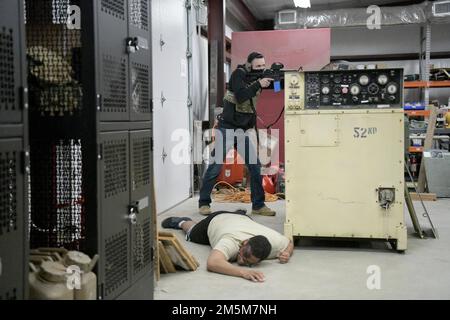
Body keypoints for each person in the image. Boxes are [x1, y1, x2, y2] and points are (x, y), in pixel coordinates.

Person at [199, 52, 276, 216]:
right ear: (249, 65)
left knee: (255, 167)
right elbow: (241, 96)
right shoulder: (238, 75)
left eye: (263, 66)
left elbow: (271, 87)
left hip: (241, 131)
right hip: (226, 128)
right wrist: (258, 83)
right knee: (215, 168)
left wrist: (275, 78)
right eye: (258, 66)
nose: (261, 69)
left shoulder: (259, 76)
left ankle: (258, 206)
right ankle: (204, 202)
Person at [161, 210, 294, 282]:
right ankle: (182, 221)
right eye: (243, 255)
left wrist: (287, 253)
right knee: (192, 233)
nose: (241, 261)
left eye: (248, 263)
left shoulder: (274, 242)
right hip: (216, 219)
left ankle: (239, 212)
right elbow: (213, 263)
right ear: (244, 242)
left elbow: (289, 242)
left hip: (242, 219)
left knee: (237, 220)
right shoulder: (231, 241)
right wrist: (244, 272)